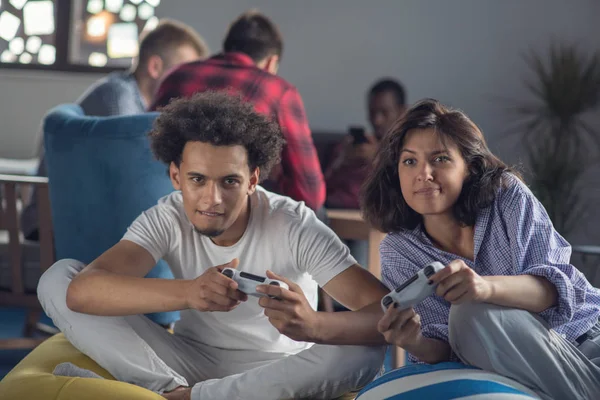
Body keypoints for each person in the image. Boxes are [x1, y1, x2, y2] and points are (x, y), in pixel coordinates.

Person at [37, 92, 387, 400]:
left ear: (252, 180)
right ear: (176, 177)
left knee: (365, 352)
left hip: (279, 371)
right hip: (188, 359)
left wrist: (313, 324)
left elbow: (384, 313)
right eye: (197, 179)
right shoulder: (167, 216)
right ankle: (174, 393)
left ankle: (178, 398)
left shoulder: (293, 223)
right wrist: (190, 292)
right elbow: (83, 292)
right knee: (58, 278)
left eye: (229, 181)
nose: (211, 199)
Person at [361, 98, 600, 400]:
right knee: (468, 317)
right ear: (396, 173)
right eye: (409, 161)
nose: (424, 174)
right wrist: (414, 340)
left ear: (470, 168)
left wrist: (484, 288)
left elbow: (555, 290)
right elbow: (449, 347)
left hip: (585, 342)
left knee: (471, 312)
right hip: (515, 365)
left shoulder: (507, 196)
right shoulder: (398, 251)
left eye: (440, 159)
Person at [21, 19, 208, 241]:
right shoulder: (118, 98)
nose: (189, 81)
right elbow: (133, 172)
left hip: (77, 217)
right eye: (182, 72)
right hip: (56, 225)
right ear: (155, 67)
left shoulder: (137, 102)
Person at [150, 11, 326, 213]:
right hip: (231, 213)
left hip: (166, 203)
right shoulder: (277, 90)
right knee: (317, 213)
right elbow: (310, 192)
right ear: (271, 62)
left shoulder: (176, 75)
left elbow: (144, 143)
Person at [325, 78, 406, 210]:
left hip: (371, 217)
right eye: (372, 112)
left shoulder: (407, 151)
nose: (377, 120)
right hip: (332, 212)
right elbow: (319, 189)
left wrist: (377, 161)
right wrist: (341, 162)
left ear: (402, 112)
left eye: (384, 113)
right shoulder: (349, 147)